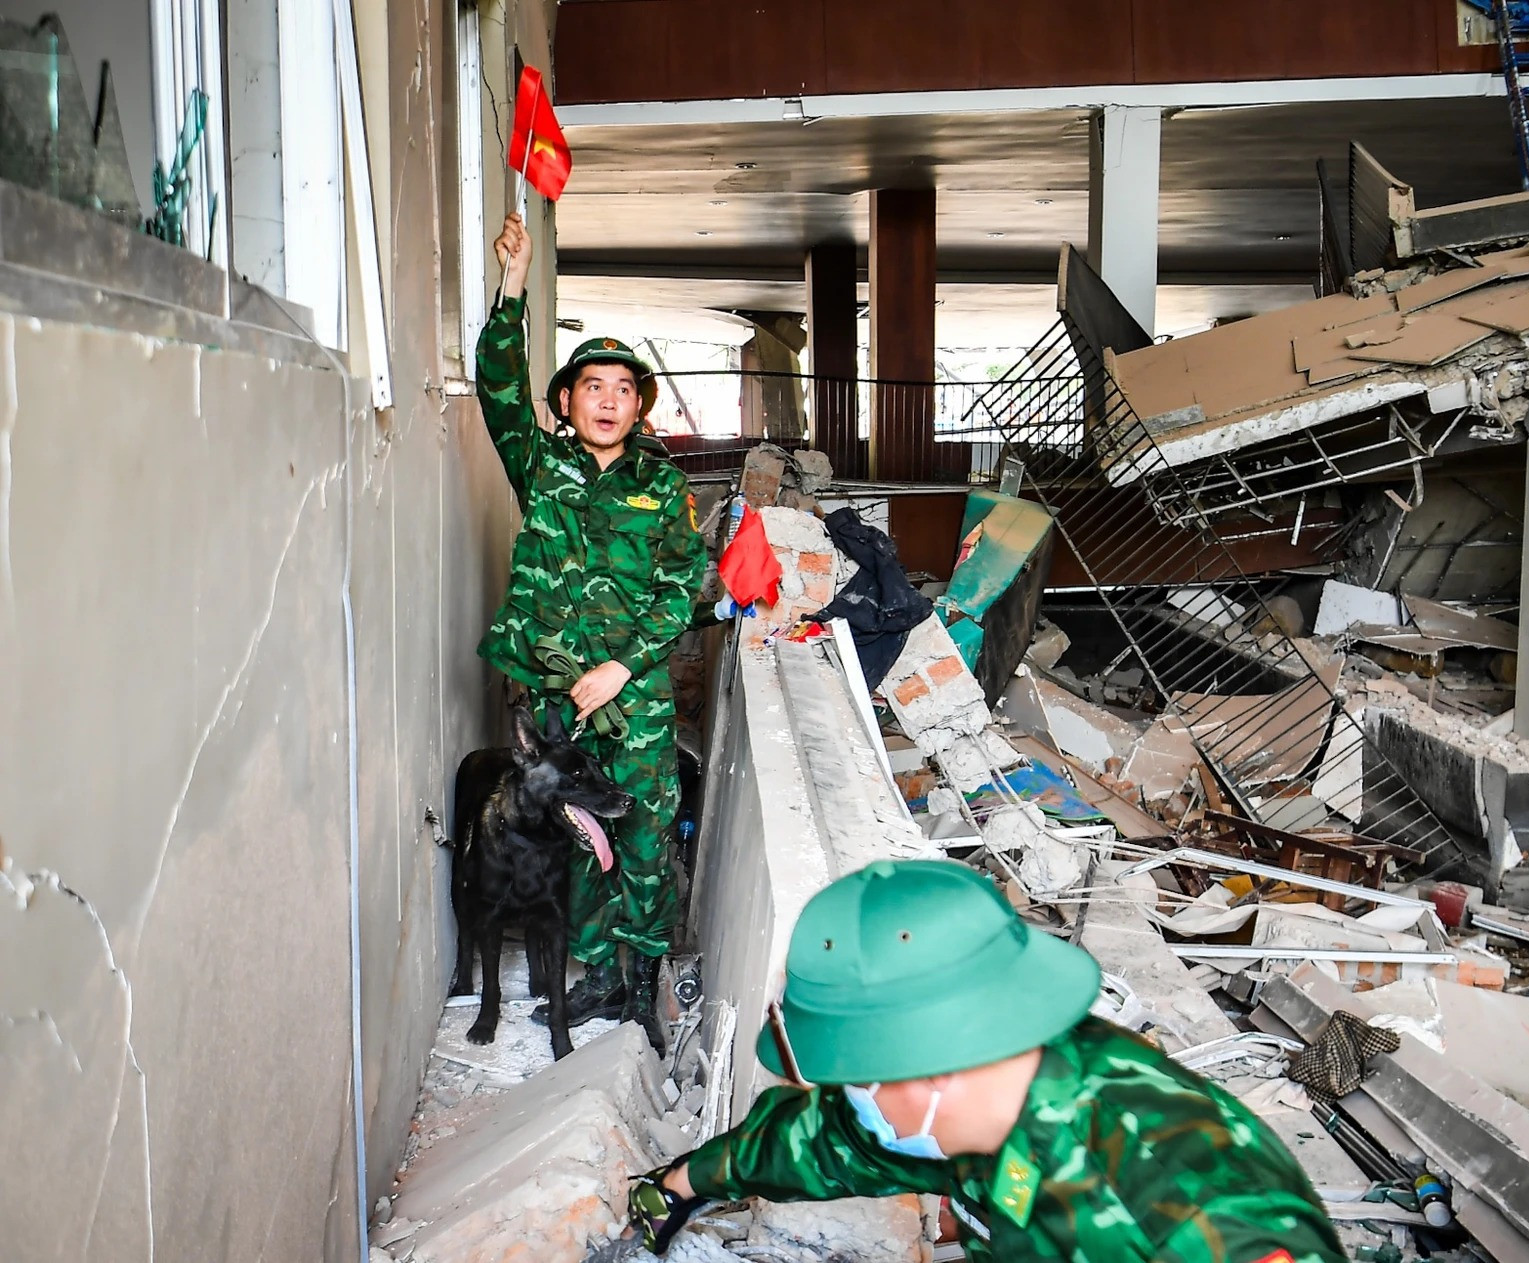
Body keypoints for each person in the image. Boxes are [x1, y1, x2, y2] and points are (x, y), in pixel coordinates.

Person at [626, 860, 1348, 1263]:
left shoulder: (1198, 1213)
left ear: (933, 1066)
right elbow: (826, 1141)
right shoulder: (981, 1105)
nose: (846, 1099)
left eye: (851, 1078)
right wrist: (683, 1182)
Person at [474, 212, 707, 1048]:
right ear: (566, 402)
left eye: (623, 389)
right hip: (556, 696)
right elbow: (496, 385)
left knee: (641, 831)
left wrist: (624, 667)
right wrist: (513, 286)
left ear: (639, 405)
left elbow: (682, 587)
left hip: (631, 695)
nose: (608, 401)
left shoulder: (662, 487)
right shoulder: (541, 466)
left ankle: (640, 984)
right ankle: (597, 973)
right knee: (573, 833)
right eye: (592, 387)